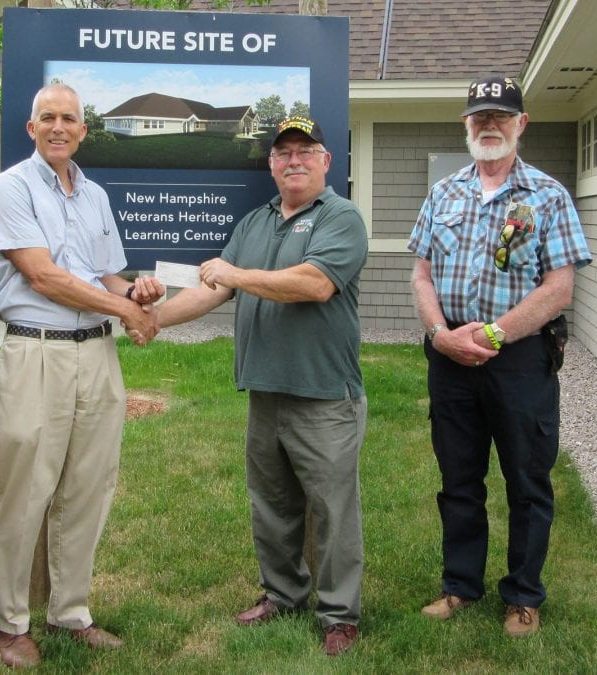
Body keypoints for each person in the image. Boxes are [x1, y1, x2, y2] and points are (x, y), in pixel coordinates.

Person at [153, 116, 369, 657]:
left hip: (323, 394)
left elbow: (314, 284)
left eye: (305, 151)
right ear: (271, 163)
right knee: (271, 505)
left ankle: (340, 613)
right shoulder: (255, 221)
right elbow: (210, 291)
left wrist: (234, 274)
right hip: (265, 392)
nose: (293, 160)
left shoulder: (340, 217)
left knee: (332, 510)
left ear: (326, 161)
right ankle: (284, 594)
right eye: (283, 153)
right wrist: (152, 321)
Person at [0, 82, 163, 669]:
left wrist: (137, 291)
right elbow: (44, 276)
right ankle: (9, 623)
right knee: (25, 491)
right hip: (36, 353)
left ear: (84, 131)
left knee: (89, 486)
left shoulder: (95, 195)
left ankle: (70, 612)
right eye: (47, 118)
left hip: (96, 354)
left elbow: (106, 274)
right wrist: (128, 311)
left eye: (70, 118)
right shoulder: (9, 187)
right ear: (31, 129)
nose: (59, 127)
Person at [408, 75, 591, 637]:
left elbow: (559, 287)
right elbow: (420, 272)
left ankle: (524, 595)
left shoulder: (548, 195)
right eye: (479, 116)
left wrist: (493, 336)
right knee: (458, 477)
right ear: (466, 125)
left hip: (518, 359)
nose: (489, 125)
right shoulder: (444, 193)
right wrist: (440, 333)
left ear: (521, 124)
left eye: (501, 115)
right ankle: (460, 585)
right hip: (449, 357)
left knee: (527, 480)